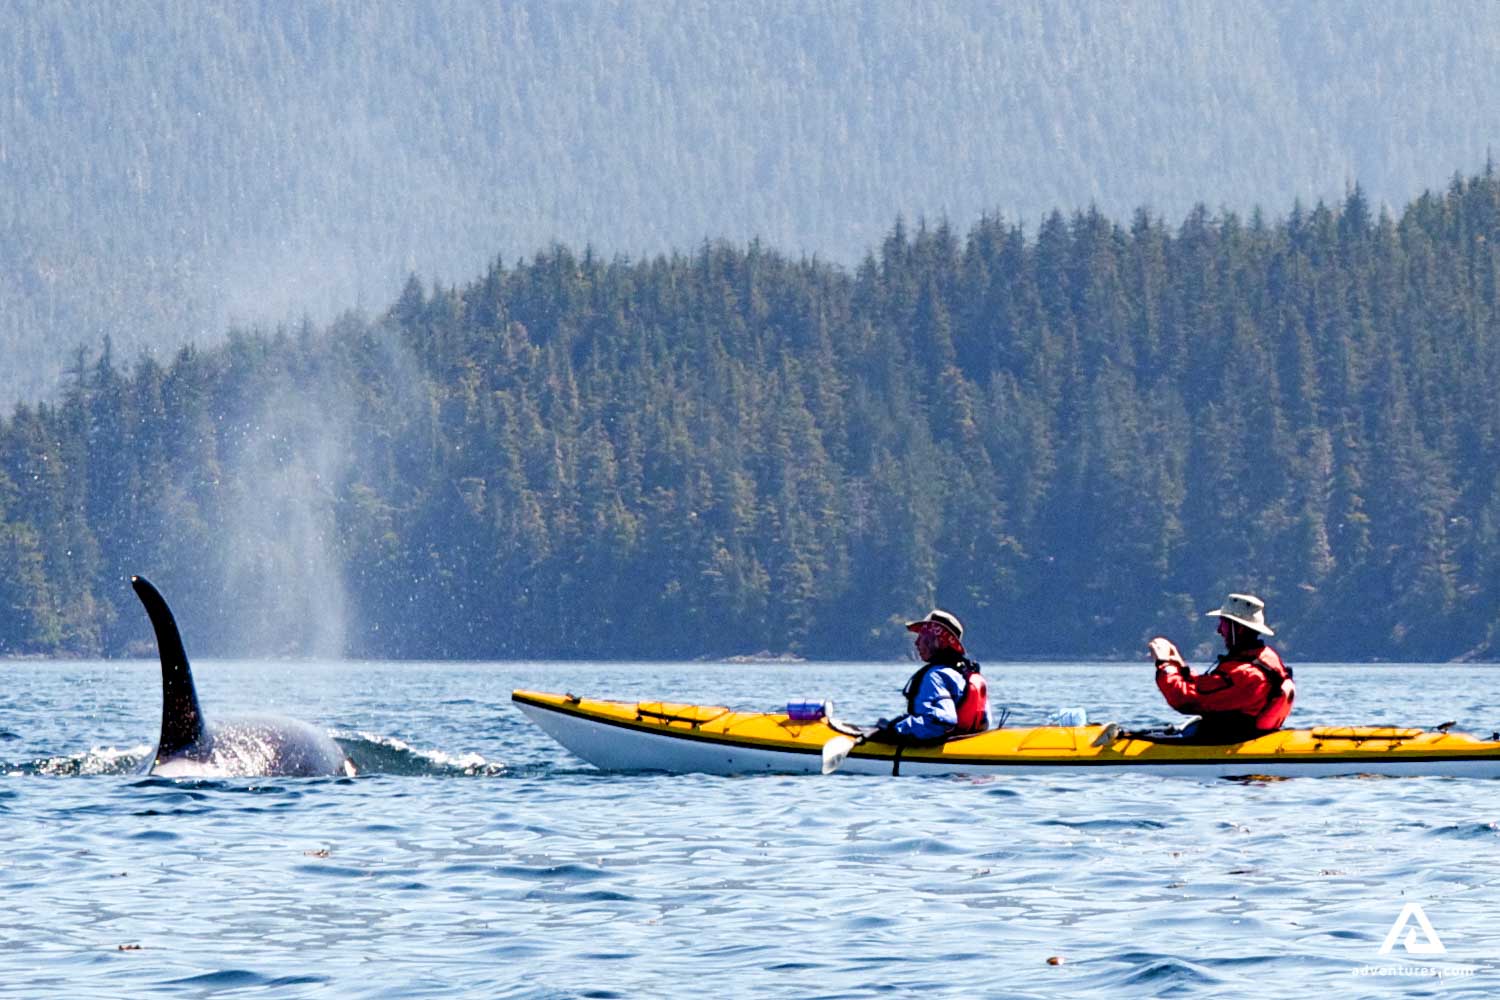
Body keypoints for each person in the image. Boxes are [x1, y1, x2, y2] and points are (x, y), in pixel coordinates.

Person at [1148, 592, 1295, 743]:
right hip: (1239, 735)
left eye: (1223, 623)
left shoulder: (1247, 674)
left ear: (1238, 628)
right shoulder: (1263, 659)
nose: (1219, 630)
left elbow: (1186, 700)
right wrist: (1182, 667)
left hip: (1229, 741)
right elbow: (1208, 688)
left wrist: (1164, 665)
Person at [875, 609, 991, 743]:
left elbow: (942, 722)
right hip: (966, 742)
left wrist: (894, 728)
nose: (917, 643)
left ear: (938, 641)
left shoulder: (935, 676)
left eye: (922, 637)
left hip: (942, 749)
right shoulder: (962, 674)